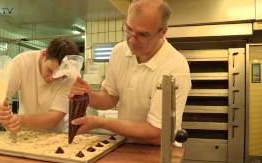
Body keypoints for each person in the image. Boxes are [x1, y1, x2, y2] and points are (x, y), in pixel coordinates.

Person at [70, 0, 191, 145]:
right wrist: (89, 97)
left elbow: (156, 131)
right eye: (128, 29)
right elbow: (110, 97)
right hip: (124, 145)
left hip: (158, 151)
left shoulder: (175, 68)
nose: (132, 40)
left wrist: (102, 122)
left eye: (143, 34)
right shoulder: (119, 52)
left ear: (162, 32)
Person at [0, 38, 80, 133]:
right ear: (44, 54)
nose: (52, 78)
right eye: (50, 70)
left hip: (57, 134)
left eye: (60, 76)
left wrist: (20, 120)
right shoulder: (22, 62)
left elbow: (54, 117)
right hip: (26, 133)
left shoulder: (70, 75)